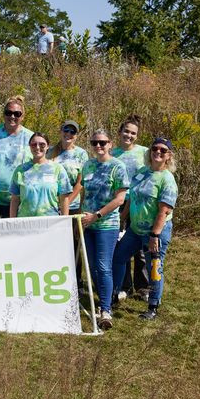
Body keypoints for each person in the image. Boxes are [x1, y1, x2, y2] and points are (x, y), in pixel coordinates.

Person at [112, 138, 178, 320]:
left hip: (154, 232)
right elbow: (131, 199)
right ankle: (114, 294)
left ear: (168, 156)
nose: (158, 152)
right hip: (134, 230)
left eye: (163, 150)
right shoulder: (142, 172)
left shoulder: (167, 179)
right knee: (118, 258)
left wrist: (155, 235)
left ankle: (153, 306)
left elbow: (164, 211)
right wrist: (122, 219)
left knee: (154, 267)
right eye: (154, 148)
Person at [80, 129, 130, 330]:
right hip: (87, 223)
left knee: (103, 266)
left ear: (110, 144)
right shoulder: (88, 165)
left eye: (102, 143)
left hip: (106, 225)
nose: (98, 146)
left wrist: (97, 215)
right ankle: (105, 295)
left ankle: (106, 309)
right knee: (91, 266)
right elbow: (84, 193)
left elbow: (120, 198)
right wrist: (84, 217)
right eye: (95, 143)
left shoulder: (118, 167)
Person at [48, 120, 89, 289]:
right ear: (61, 131)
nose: (69, 135)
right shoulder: (50, 152)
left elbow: (81, 182)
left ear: (76, 135)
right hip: (50, 205)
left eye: (73, 132)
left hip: (72, 206)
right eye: (66, 130)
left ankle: (75, 280)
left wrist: (67, 201)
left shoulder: (81, 154)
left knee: (72, 242)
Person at [111, 114, 149, 299]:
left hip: (138, 205)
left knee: (141, 247)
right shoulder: (113, 153)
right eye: (126, 131)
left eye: (133, 133)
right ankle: (124, 286)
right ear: (120, 132)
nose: (129, 135)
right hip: (118, 203)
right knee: (120, 244)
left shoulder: (144, 152)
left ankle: (144, 287)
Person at [0, 96, 33, 218]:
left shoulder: (30, 138)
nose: (12, 116)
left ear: (22, 116)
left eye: (17, 114)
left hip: (17, 199)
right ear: (3, 114)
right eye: (8, 112)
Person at [9, 132, 71, 217]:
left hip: (51, 222)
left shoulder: (58, 169)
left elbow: (64, 198)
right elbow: (15, 200)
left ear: (48, 146)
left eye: (42, 144)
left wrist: (64, 222)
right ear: (30, 147)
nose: (37, 148)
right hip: (25, 223)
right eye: (34, 145)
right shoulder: (20, 170)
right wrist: (12, 221)